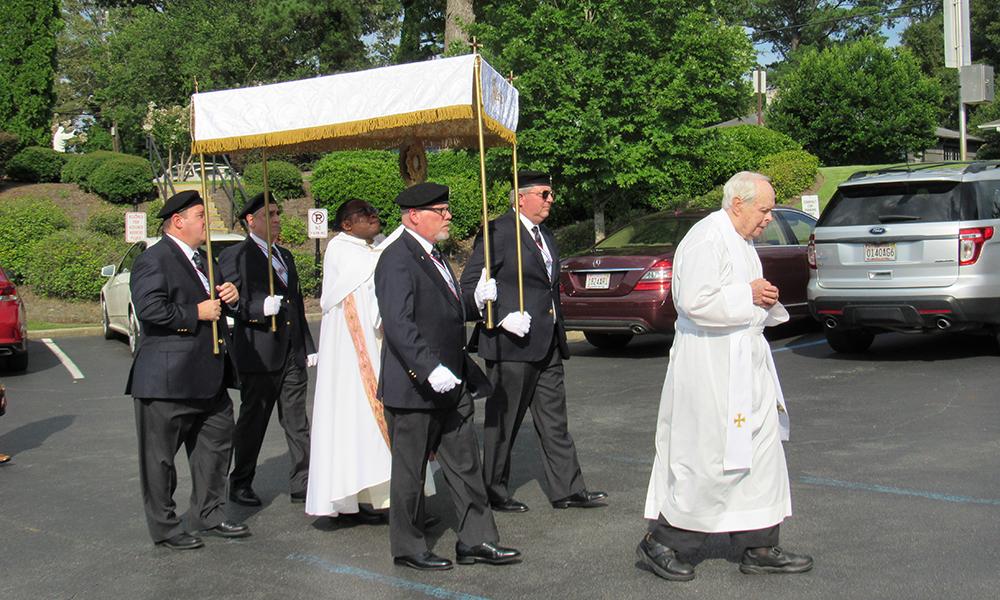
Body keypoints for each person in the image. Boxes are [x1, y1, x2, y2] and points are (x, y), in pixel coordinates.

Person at [637, 172, 813, 581]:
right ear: (738, 203)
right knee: (708, 456)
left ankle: (760, 545)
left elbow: (745, 293)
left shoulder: (742, 240)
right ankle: (663, 541)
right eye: (764, 209)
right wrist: (748, 295)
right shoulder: (706, 238)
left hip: (745, 361)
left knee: (763, 454)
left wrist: (761, 298)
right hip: (711, 365)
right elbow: (693, 303)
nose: (768, 218)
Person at [375, 182, 521, 571]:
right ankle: (408, 547)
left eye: (446, 209)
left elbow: (444, 314)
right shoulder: (396, 258)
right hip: (414, 387)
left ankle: (477, 540)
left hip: (451, 381)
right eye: (440, 210)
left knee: (465, 463)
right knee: (410, 472)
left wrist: (474, 302)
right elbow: (399, 324)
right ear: (414, 216)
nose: (449, 216)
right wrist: (427, 368)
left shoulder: (432, 254)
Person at [460, 171, 606, 513]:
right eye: (544, 193)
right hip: (511, 343)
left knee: (555, 421)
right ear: (521, 197)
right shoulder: (498, 232)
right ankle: (494, 489)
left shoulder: (545, 235)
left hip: (547, 341)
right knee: (504, 423)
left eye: (551, 193)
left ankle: (568, 489)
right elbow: (471, 287)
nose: (550, 199)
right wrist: (497, 315)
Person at [126, 190, 249, 551]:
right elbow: (150, 310)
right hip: (167, 380)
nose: (205, 223)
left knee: (215, 446)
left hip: (209, 376)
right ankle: (165, 527)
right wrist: (196, 312)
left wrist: (232, 297)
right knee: (160, 459)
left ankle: (209, 514)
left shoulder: (206, 260)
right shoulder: (155, 260)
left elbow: (221, 307)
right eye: (200, 216)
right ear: (178, 222)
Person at [218, 193, 316, 507]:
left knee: (297, 421)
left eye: (277, 213)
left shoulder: (284, 255)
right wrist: (259, 308)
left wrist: (308, 346)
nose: (276, 219)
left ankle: (303, 480)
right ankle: (241, 481)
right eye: (269, 214)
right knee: (253, 421)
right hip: (260, 351)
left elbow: (296, 305)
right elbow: (230, 303)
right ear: (251, 220)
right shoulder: (236, 255)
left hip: (290, 351)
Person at [305, 199, 395, 522]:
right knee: (354, 420)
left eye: (374, 210)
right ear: (346, 225)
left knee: (372, 420)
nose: (374, 216)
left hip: (377, 345)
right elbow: (361, 286)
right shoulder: (341, 250)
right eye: (365, 214)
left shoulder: (375, 247)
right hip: (351, 351)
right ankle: (351, 498)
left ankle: (380, 496)